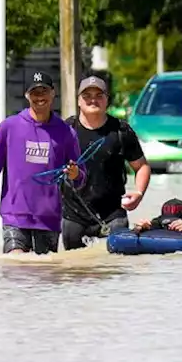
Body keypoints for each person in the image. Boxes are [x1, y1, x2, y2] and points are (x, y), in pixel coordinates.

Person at [0, 71, 86, 254]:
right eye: (35, 92)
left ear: (53, 93)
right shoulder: (9, 127)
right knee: (17, 266)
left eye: (44, 91)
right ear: (27, 95)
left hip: (48, 219)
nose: (40, 97)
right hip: (15, 217)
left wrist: (76, 174)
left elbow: (82, 177)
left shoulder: (66, 133)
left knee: (44, 276)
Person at [62, 75, 151, 249]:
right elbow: (50, 169)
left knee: (114, 268)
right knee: (72, 269)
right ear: (79, 101)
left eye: (99, 95)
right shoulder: (65, 130)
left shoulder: (121, 131)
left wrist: (139, 193)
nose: (93, 100)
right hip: (74, 216)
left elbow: (142, 167)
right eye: (87, 96)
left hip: (113, 216)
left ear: (107, 100)